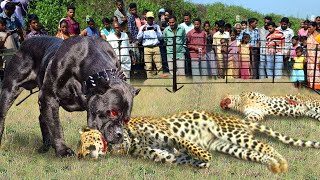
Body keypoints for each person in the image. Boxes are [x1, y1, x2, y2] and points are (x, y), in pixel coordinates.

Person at [136, 11, 163, 78]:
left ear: (153, 18)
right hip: (147, 48)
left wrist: (156, 31)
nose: (150, 19)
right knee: (148, 66)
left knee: (159, 65)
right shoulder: (142, 27)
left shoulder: (157, 26)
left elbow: (161, 38)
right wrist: (142, 31)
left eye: (151, 18)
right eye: (149, 18)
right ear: (146, 18)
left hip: (156, 47)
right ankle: (150, 80)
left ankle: (161, 80)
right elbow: (138, 38)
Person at [306, 21, 320, 89]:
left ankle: (316, 89)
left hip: (317, 58)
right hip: (310, 58)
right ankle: (311, 88)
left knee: (316, 73)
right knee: (310, 73)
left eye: (310, 27)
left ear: (314, 27)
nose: (308, 29)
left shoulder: (319, 36)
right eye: (308, 27)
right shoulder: (309, 36)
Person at [180, 12, 194, 76]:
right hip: (182, 46)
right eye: (185, 19)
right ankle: (184, 74)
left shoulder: (193, 26)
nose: (186, 20)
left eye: (187, 19)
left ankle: (190, 74)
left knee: (190, 60)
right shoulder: (181, 26)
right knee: (183, 61)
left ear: (190, 19)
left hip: (191, 46)